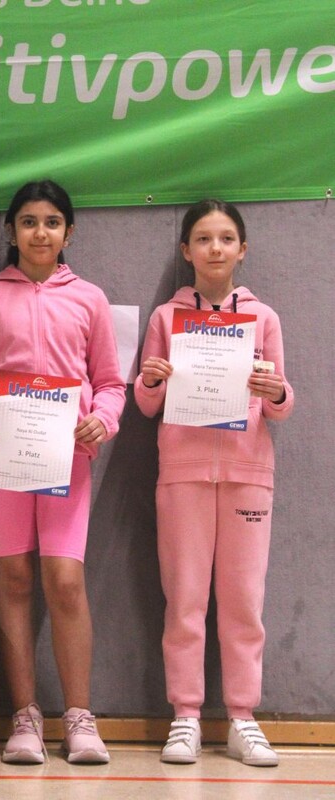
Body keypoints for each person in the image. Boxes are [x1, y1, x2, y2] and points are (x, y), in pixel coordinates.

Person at [0, 180, 125, 765]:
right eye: (28, 222)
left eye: (51, 222)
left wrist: (103, 419)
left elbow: (111, 383)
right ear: (11, 231)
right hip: (2, 454)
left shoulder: (90, 299)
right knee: (15, 578)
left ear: (69, 232)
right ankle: (24, 716)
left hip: (69, 457)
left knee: (65, 580)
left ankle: (79, 717)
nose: (40, 232)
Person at [134, 199, 293, 767]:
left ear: (242, 249)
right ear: (186, 250)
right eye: (203, 238)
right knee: (185, 599)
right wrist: (152, 381)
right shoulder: (166, 318)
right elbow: (146, 402)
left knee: (244, 601)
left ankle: (243, 718)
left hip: (249, 476)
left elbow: (281, 403)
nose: (215, 248)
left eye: (226, 238)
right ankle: (186, 716)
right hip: (183, 476)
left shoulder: (264, 318)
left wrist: (275, 390)